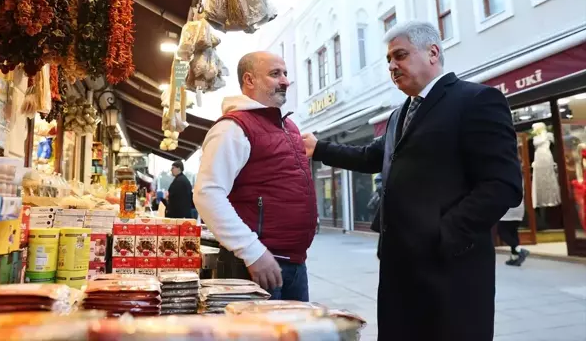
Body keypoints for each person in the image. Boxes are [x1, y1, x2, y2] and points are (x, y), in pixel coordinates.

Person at [302, 21, 522, 341]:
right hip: (398, 270)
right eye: (389, 59)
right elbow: (371, 156)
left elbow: (502, 184)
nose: (392, 66)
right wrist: (319, 148)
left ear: (432, 53)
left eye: (400, 55)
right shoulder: (399, 115)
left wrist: (444, 235)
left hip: (450, 271)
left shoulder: (477, 100)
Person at [194, 51, 317, 301]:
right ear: (249, 80)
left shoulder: (287, 126)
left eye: (285, 73)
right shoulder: (232, 128)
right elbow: (207, 193)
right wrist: (252, 252)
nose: (285, 81)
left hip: (293, 264)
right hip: (255, 266)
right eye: (275, 74)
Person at [497, 198, 530, 266]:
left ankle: (519, 250)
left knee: (502, 232)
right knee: (513, 232)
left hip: (508, 210)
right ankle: (515, 257)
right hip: (519, 210)